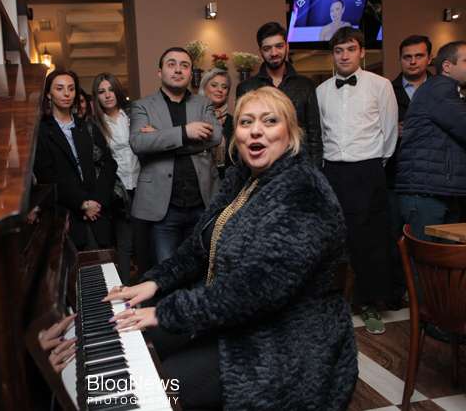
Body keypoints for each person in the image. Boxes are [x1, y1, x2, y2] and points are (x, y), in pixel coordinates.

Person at [106, 87, 357, 411]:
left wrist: (166, 312)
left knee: (158, 387)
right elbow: (199, 246)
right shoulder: (244, 177)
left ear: (291, 133)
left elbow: (258, 288)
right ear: (235, 134)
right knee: (135, 345)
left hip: (284, 340)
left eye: (270, 121)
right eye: (246, 122)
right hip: (229, 315)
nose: (256, 130)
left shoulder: (303, 191)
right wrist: (155, 282)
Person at [317, 27, 398, 335]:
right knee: (333, 240)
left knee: (370, 242)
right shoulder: (321, 91)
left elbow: (389, 131)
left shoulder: (381, 85)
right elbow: (320, 134)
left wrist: (375, 163)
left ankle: (369, 303)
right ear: (333, 55)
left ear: (362, 52)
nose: (344, 56)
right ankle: (331, 303)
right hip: (333, 171)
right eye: (339, 50)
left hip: (368, 170)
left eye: (350, 49)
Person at [130, 47, 222, 265]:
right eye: (171, 64)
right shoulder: (142, 106)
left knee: (203, 268)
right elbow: (139, 143)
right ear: (160, 72)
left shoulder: (204, 104)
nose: (178, 70)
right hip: (164, 208)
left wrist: (161, 138)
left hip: (202, 203)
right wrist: (185, 132)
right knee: (167, 270)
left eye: (184, 65)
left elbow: (216, 137)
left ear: (191, 73)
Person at [35, 70, 117, 250]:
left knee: (105, 263)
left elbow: (109, 164)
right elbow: (47, 176)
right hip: (67, 217)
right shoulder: (42, 131)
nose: (66, 94)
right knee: (73, 265)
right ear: (48, 94)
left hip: (98, 213)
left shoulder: (87, 126)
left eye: (71, 89)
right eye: (59, 88)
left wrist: (97, 202)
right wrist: (82, 203)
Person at [395, 40, 466, 241]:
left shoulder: (444, 90)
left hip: (437, 190)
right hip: (426, 193)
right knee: (427, 258)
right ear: (447, 66)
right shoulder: (440, 89)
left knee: (442, 257)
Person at [387, 35, 433, 307]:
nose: (413, 61)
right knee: (395, 237)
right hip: (394, 174)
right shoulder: (387, 89)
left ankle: (427, 299)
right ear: (400, 59)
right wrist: (393, 130)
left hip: (431, 178)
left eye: (419, 56)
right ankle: (398, 294)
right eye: (407, 57)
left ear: (429, 58)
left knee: (427, 241)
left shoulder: (443, 89)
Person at [236, 22, 323, 167]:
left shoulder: (305, 85)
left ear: (287, 46)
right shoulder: (246, 88)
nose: (274, 53)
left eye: (279, 46)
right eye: (267, 48)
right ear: (260, 51)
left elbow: (314, 136)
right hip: (261, 166)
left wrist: (314, 172)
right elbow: (241, 136)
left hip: (299, 165)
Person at [91, 72, 140, 284]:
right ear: (97, 97)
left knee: (144, 240)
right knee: (125, 243)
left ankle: (150, 288)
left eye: (111, 89)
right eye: (102, 91)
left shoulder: (133, 115)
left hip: (142, 183)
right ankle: (125, 289)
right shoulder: (94, 125)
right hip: (118, 190)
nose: (108, 95)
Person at [199, 68, 233, 177]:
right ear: (204, 88)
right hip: (198, 179)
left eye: (224, 87)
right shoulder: (193, 116)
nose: (220, 90)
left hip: (226, 179)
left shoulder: (234, 122)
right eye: (214, 85)